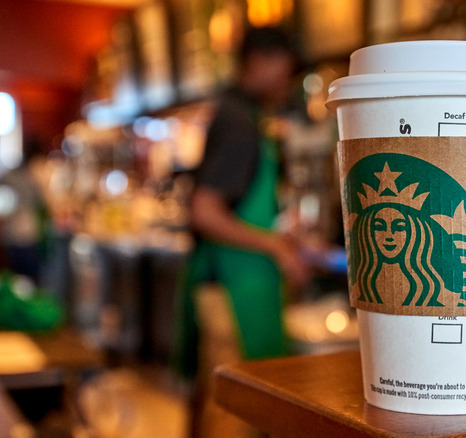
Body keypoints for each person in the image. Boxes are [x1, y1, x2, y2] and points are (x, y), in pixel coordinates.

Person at [174, 26, 312, 438]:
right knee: (230, 416)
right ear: (260, 61)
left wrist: (286, 239)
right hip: (231, 295)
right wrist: (276, 246)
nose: (285, 83)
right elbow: (205, 211)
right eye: (284, 71)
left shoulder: (241, 116)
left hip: (239, 286)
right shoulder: (238, 122)